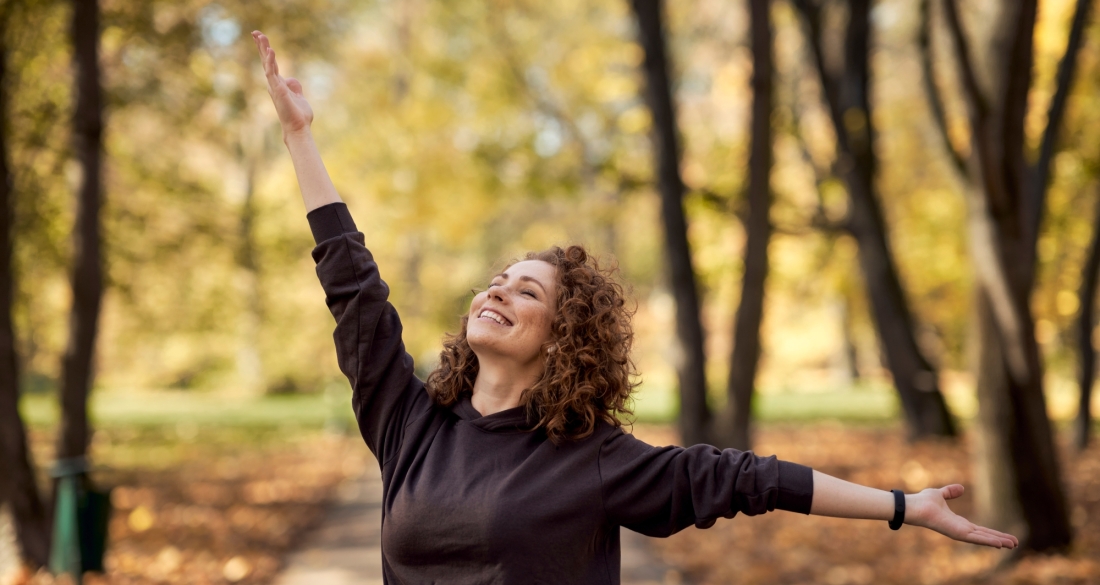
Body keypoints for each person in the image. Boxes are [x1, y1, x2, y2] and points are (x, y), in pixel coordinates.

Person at [251, 30, 1018, 584]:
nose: (495, 292)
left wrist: (901, 506)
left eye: (527, 291)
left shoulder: (593, 460)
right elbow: (354, 290)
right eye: (497, 281)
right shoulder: (409, 422)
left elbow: (752, 478)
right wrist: (299, 138)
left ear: (562, 342)